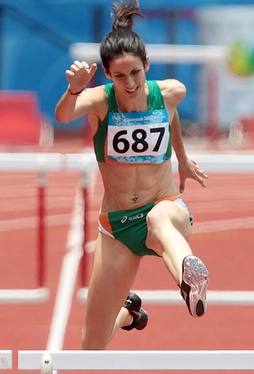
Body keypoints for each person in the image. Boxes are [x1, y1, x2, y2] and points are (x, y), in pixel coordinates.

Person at [55, 0, 210, 350]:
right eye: (120, 76)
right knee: (90, 347)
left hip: (166, 206)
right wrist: (74, 88)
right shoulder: (98, 101)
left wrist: (182, 159)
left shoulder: (170, 91)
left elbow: (170, 116)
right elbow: (63, 115)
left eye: (136, 73)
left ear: (147, 66)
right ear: (108, 75)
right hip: (118, 226)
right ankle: (128, 314)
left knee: (158, 220)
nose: (130, 83)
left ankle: (190, 277)